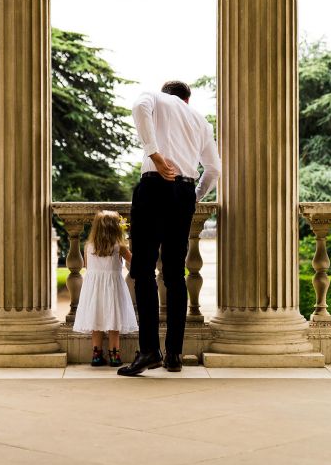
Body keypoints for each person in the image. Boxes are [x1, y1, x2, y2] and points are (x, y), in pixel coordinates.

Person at [118, 80, 221, 376]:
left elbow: (139, 107)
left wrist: (155, 155)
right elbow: (213, 169)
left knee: (143, 270)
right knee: (175, 275)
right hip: (184, 192)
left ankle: (150, 350)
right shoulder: (199, 120)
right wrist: (193, 195)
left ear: (167, 94)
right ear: (187, 99)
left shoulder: (154, 96)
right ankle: (174, 354)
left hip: (154, 187)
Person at [72, 210, 139, 367]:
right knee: (114, 320)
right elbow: (134, 262)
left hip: (94, 289)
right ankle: (114, 356)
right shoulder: (119, 247)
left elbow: (87, 266)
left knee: (96, 320)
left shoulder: (89, 246)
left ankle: (96, 355)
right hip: (113, 288)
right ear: (115, 228)